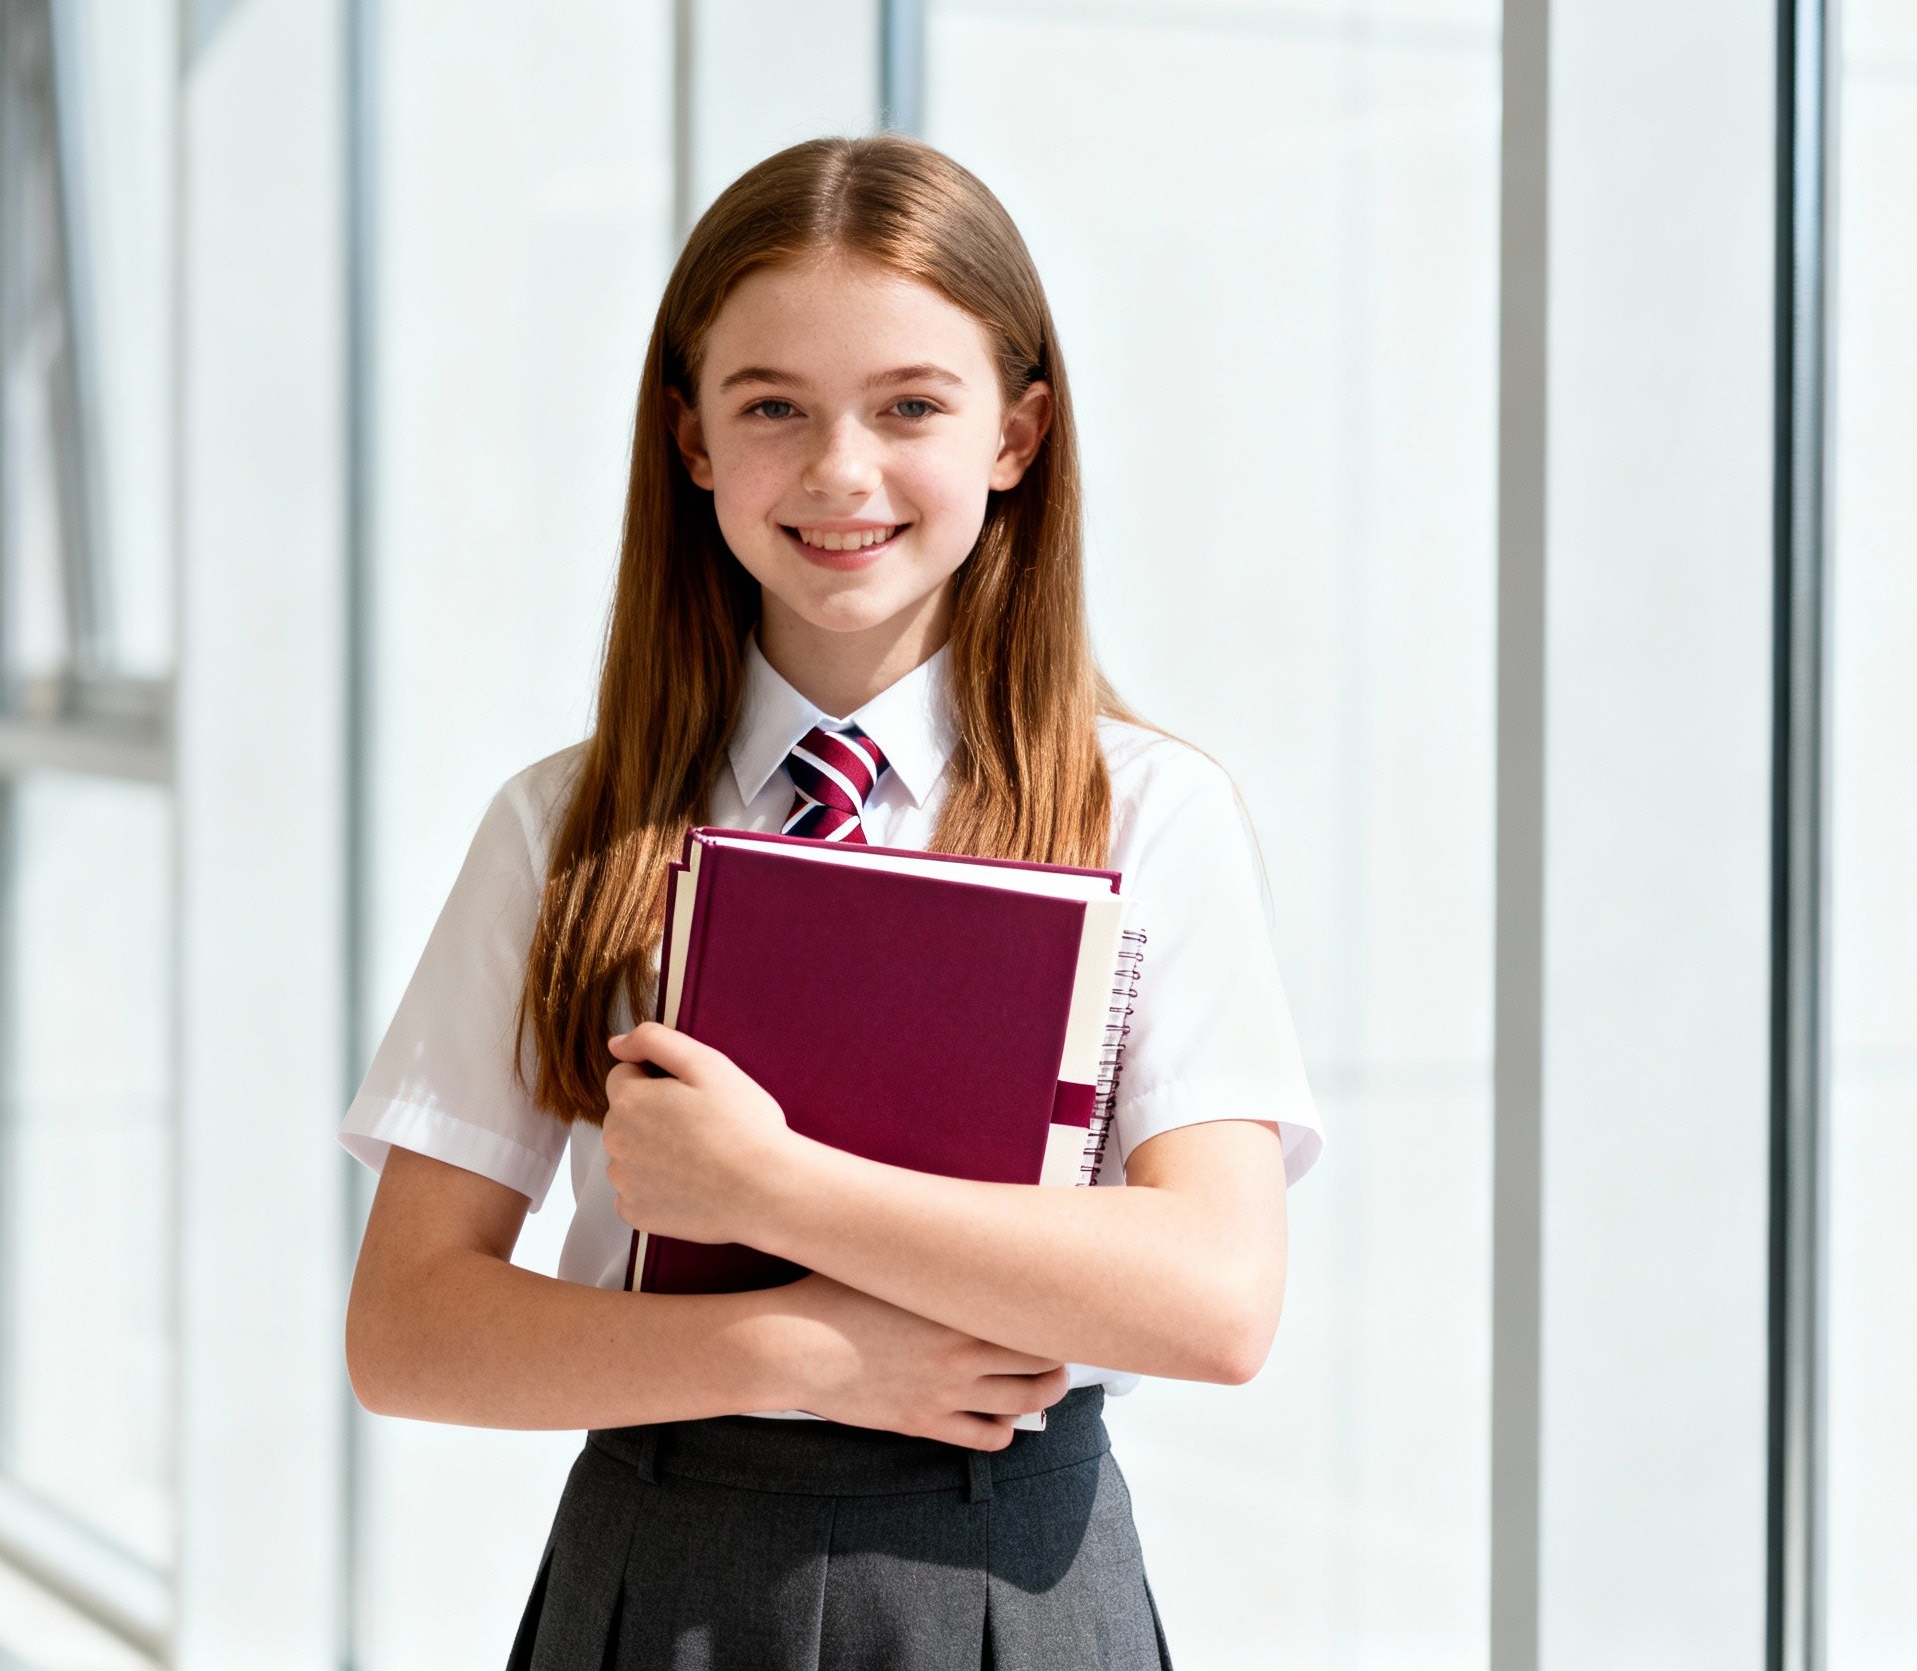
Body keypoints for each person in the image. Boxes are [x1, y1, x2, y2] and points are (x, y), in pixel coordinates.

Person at [340, 134, 1322, 1671]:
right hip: (661, 1573)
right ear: (692, 440)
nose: (841, 470)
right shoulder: (564, 828)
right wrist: (803, 1353)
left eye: (912, 406)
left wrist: (769, 1188)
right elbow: (405, 1329)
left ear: (1018, 433)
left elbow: (1217, 1301)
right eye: (773, 407)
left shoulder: (1149, 816)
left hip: (1015, 1581)